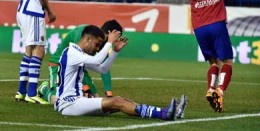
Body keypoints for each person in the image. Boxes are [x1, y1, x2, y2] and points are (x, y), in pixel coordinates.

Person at [128, 0, 260, 113]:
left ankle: (210, 89)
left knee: (213, 62)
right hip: (217, 24)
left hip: (200, 28)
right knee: (227, 61)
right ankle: (219, 91)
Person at [54, 25, 187, 120]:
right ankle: (164, 114)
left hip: (75, 102)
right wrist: (109, 42)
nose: (97, 48)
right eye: (97, 44)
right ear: (87, 39)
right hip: (69, 103)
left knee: (122, 101)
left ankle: (165, 112)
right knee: (116, 101)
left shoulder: (76, 53)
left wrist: (115, 52)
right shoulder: (72, 52)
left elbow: (102, 69)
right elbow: (96, 60)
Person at [15, 0, 66, 104]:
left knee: (29, 50)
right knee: (40, 50)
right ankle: (31, 93)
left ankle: (22, 91)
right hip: (34, 11)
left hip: (23, 8)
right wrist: (50, 12)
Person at [38, 19, 123, 104]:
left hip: (79, 69)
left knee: (95, 98)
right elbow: (91, 61)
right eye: (116, 38)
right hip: (58, 66)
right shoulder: (84, 34)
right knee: (55, 100)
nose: (115, 41)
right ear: (110, 33)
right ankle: (44, 89)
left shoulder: (101, 43)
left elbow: (104, 68)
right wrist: (86, 88)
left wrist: (109, 94)